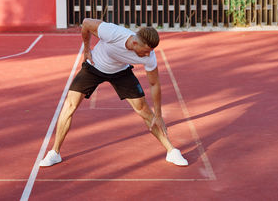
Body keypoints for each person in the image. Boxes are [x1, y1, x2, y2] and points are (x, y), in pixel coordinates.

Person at [40, 18, 188, 167]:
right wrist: (86, 49)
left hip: (121, 72)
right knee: (70, 105)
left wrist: (159, 115)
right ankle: (55, 152)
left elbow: (154, 83)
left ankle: (171, 151)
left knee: (144, 111)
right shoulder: (113, 32)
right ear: (135, 43)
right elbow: (85, 23)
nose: (147, 55)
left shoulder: (149, 56)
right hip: (94, 66)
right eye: (144, 52)